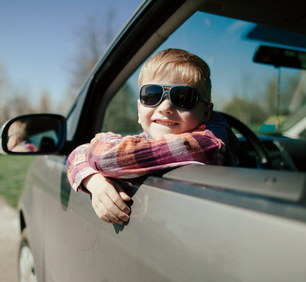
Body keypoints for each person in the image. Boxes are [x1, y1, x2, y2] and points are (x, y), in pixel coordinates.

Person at [66, 48, 238, 225]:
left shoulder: (206, 144)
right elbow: (76, 154)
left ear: (206, 112)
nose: (165, 107)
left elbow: (104, 157)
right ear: (139, 110)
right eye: (152, 95)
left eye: (182, 97)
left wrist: (100, 144)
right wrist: (95, 183)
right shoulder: (145, 140)